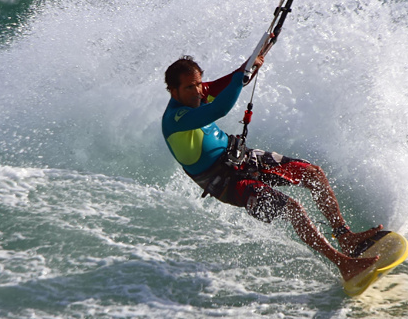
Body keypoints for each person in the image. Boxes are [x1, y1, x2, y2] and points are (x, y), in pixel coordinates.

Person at [161, 53, 381, 286]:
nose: (198, 92)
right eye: (189, 88)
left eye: (198, 84)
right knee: (293, 209)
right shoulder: (175, 119)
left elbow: (233, 79)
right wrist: (239, 78)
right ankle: (344, 264)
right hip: (227, 183)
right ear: (173, 91)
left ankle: (345, 236)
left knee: (312, 173)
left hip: (241, 157)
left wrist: (250, 64)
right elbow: (219, 109)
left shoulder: (195, 93)